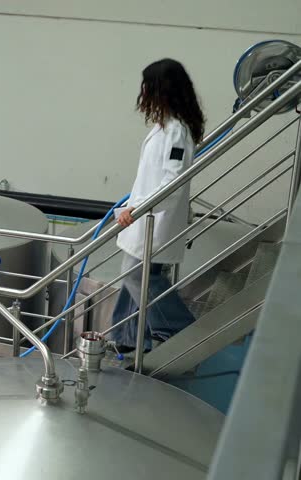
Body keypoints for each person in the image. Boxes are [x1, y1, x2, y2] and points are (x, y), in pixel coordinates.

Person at [109, 58, 202, 353]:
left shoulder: (176, 132)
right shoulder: (165, 127)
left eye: (147, 86)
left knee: (137, 276)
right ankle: (126, 339)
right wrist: (132, 206)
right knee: (132, 276)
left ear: (162, 89)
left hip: (153, 220)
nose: (144, 92)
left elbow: (172, 183)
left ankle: (180, 331)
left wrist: (137, 210)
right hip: (143, 217)